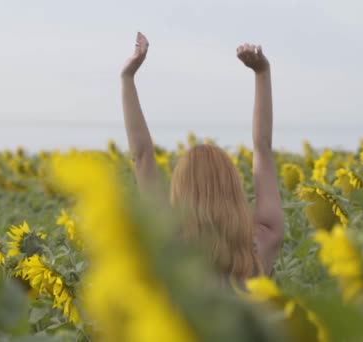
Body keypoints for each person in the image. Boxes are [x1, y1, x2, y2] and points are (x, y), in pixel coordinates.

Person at [120, 32, 284, 280]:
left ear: (182, 188)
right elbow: (262, 147)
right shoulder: (263, 241)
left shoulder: (172, 246)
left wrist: (127, 77)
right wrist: (262, 73)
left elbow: (142, 156)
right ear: (232, 186)